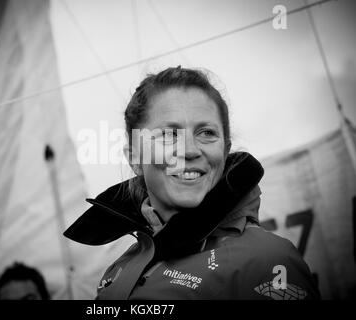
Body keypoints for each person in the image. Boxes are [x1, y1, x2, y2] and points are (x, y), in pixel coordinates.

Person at [64, 66, 321, 300]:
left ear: (225, 150)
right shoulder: (122, 266)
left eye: (207, 133)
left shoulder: (267, 261)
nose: (189, 150)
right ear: (135, 157)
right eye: (168, 134)